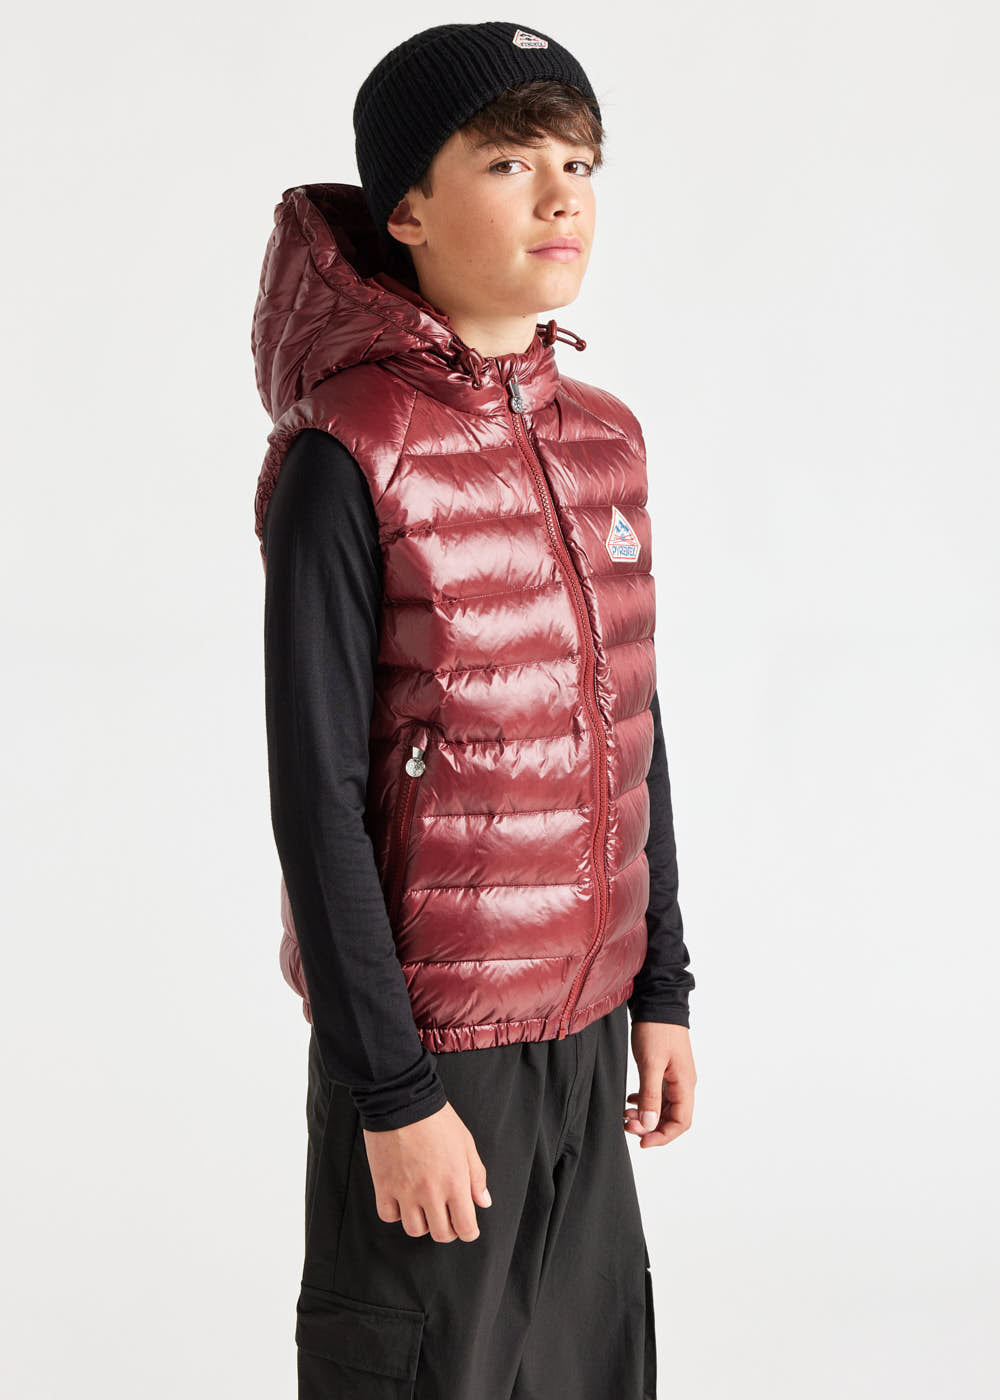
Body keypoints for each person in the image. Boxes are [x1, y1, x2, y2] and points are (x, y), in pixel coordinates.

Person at [252, 21, 697, 1399]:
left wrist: (663, 988)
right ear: (406, 209)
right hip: (434, 1054)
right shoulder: (348, 452)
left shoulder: (602, 438)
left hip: (588, 1035)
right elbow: (315, 796)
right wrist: (392, 1092)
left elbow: (630, 727)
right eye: (509, 163)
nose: (562, 196)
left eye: (579, 162)